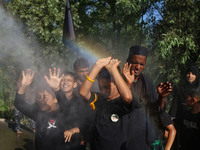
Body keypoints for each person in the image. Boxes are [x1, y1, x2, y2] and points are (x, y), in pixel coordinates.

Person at [14, 69, 81, 150]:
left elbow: (66, 104)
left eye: (45, 96)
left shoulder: (64, 113)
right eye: (39, 97)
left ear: (55, 99)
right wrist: (23, 86)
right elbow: (19, 104)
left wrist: (57, 89)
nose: (41, 100)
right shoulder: (38, 113)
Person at [123, 45, 172, 150]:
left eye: (142, 64)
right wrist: (128, 84)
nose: (138, 67)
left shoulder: (146, 81)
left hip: (143, 136)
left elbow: (155, 109)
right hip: (123, 135)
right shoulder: (118, 79)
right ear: (128, 61)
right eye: (135, 62)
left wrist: (161, 97)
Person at [79, 57, 134, 150]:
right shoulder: (98, 99)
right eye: (100, 87)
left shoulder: (123, 102)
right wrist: (97, 66)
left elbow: (128, 98)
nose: (103, 90)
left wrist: (113, 70)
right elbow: (83, 92)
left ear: (117, 83)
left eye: (107, 87)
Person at [44, 69, 89, 149]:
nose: (65, 82)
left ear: (75, 84)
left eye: (69, 80)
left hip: (74, 144)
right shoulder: (53, 98)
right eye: (63, 80)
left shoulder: (80, 101)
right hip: (56, 143)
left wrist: (74, 130)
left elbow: (86, 123)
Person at [169, 65, 199, 149]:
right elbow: (174, 104)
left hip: (195, 120)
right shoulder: (180, 88)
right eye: (188, 73)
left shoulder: (198, 89)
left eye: (193, 73)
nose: (190, 75)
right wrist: (171, 117)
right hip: (181, 119)